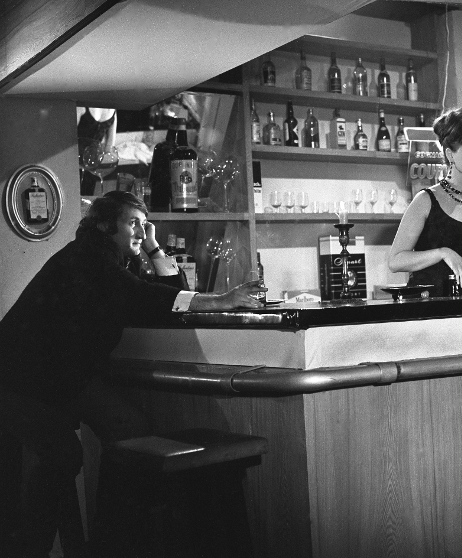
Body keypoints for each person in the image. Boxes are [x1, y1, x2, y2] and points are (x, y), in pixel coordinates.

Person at [0, 191, 265, 557]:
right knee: (67, 454)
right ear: (105, 225)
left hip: (60, 377)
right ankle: (42, 547)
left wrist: (153, 248)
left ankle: (115, 537)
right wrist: (221, 300)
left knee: (128, 428)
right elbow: (144, 296)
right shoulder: (89, 257)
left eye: (145, 223)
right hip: (19, 379)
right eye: (133, 223)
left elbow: (169, 297)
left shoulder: (111, 259)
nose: (141, 230)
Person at [388, 107, 462, 297]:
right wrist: (443, 253)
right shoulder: (426, 200)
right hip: (427, 310)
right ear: (450, 154)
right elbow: (395, 261)